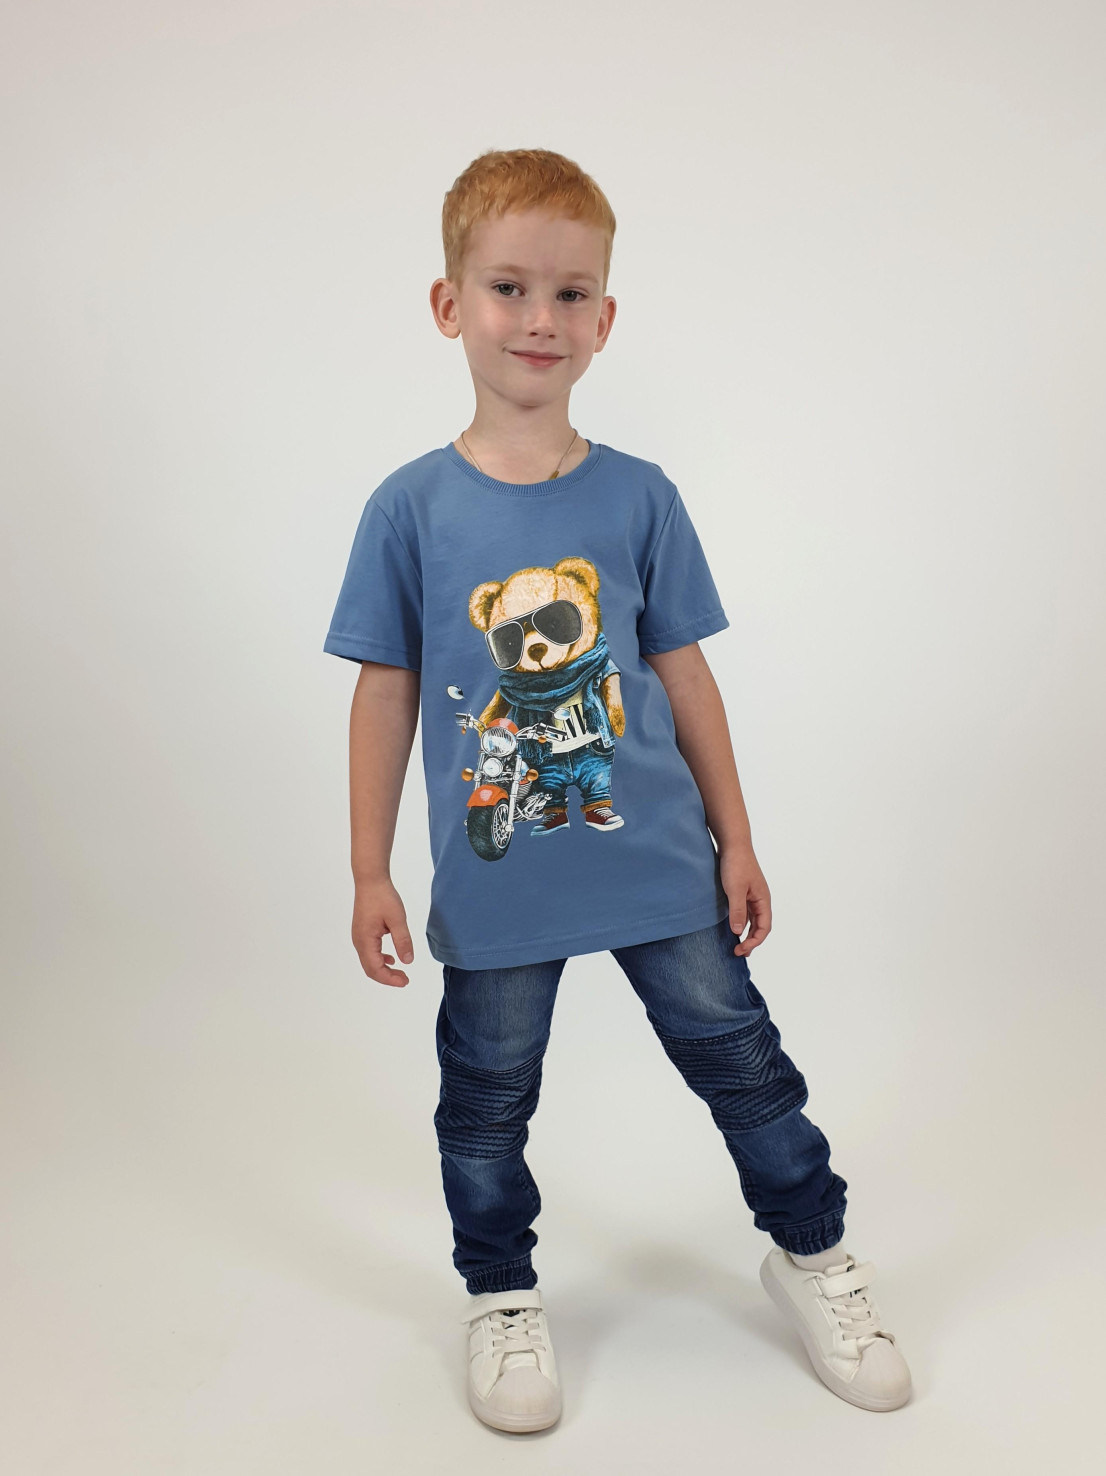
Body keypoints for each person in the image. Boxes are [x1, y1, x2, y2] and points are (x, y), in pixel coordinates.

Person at [323, 148, 912, 1432]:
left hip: (657, 866)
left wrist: (736, 839)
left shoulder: (641, 496)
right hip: (497, 885)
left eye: (570, 293)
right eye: (508, 287)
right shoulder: (407, 511)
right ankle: (498, 1291)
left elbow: (685, 679)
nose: (539, 318)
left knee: (742, 1066)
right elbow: (382, 695)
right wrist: (369, 869)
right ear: (448, 304)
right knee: (485, 1103)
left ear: (604, 317)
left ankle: (812, 1253)